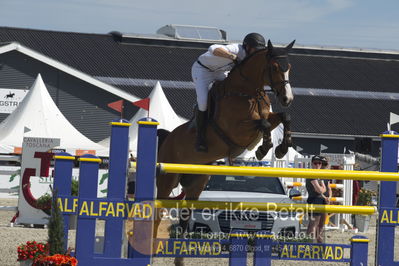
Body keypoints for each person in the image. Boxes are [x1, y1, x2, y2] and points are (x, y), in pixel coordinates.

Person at [191, 32, 266, 152]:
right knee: (203, 102)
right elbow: (212, 49)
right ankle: (200, 136)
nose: (256, 52)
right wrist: (232, 57)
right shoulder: (236, 49)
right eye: (255, 50)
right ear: (247, 47)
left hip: (220, 72)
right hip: (202, 71)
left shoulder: (250, 57)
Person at [306, 155, 330, 243]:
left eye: (319, 163)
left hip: (321, 199)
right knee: (313, 225)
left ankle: (318, 246)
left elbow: (325, 189)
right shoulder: (312, 174)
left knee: (320, 226)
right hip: (314, 199)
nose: (318, 165)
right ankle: (306, 245)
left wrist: (325, 194)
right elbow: (320, 189)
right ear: (312, 164)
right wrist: (323, 188)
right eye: (315, 163)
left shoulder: (319, 174)